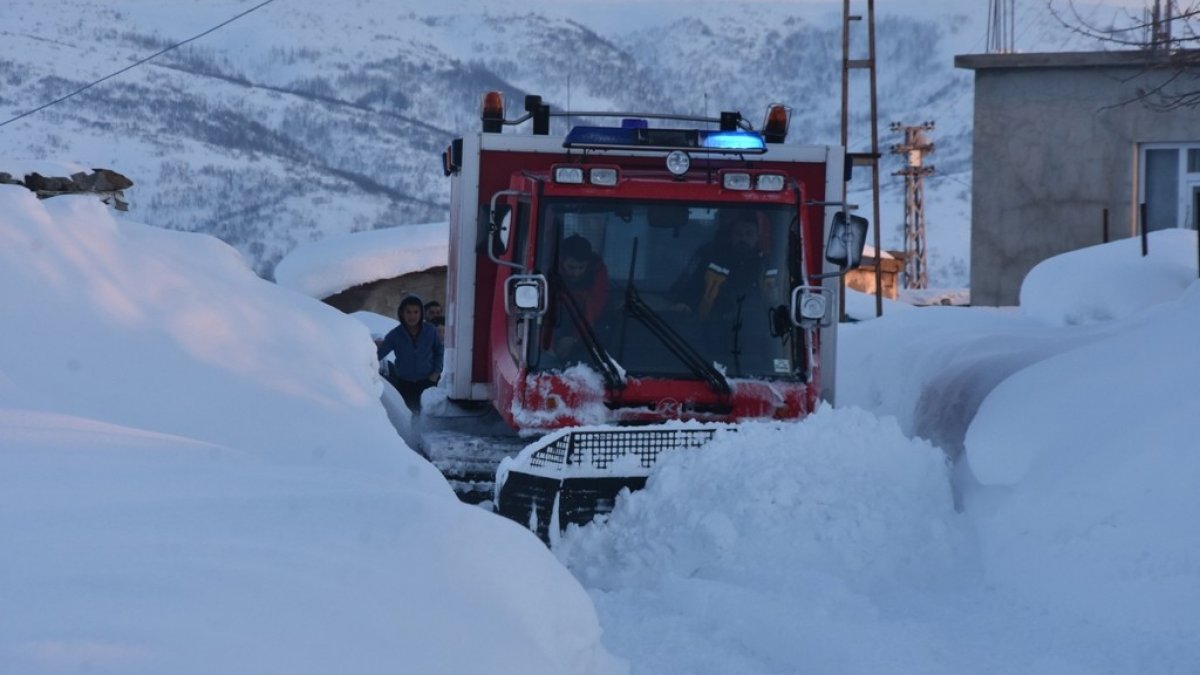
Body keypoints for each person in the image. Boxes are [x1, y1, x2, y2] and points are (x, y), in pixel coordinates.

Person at [671, 211, 770, 320]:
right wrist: (684, 303)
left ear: (757, 237)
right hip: (710, 323)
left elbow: (775, 299)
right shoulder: (711, 258)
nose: (743, 238)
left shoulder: (767, 265)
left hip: (756, 326)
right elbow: (691, 286)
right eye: (738, 233)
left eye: (749, 234)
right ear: (731, 236)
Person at [546, 234, 609, 361]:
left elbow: (593, 309)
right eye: (571, 267)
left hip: (586, 327)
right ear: (561, 260)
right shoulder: (549, 270)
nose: (576, 273)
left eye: (581, 267)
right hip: (553, 323)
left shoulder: (597, 272)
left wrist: (574, 339)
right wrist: (548, 344)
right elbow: (544, 307)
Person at [377, 294, 444, 412]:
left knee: (429, 414)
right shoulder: (395, 334)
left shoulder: (430, 331)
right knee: (409, 415)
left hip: (428, 383)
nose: (412, 316)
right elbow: (378, 354)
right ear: (401, 313)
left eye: (416, 312)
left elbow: (439, 351)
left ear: (421, 313)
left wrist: (436, 373)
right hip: (404, 385)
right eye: (408, 312)